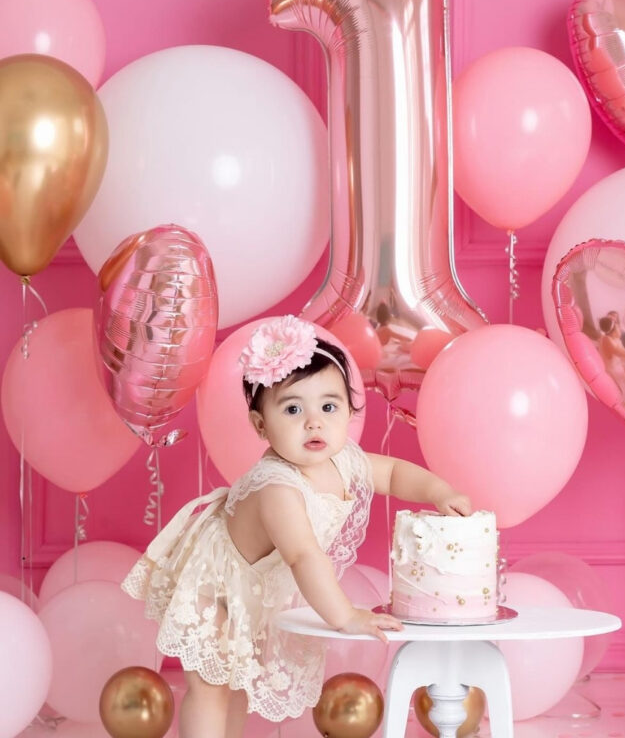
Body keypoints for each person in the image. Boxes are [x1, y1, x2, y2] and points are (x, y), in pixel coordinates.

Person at [122, 315, 472, 738]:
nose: (314, 421)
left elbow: (394, 473)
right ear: (260, 426)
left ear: (349, 410)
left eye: (329, 406)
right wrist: (344, 616)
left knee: (237, 689)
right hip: (214, 591)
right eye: (292, 408)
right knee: (213, 688)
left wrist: (439, 491)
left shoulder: (342, 461)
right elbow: (304, 555)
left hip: (252, 589)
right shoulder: (278, 488)